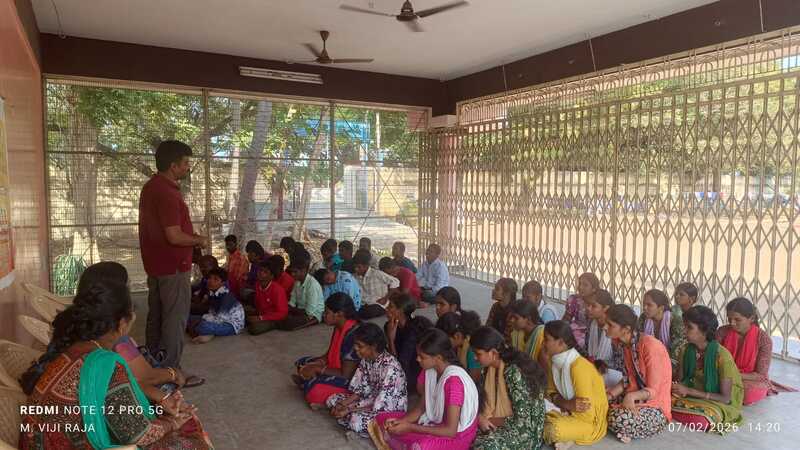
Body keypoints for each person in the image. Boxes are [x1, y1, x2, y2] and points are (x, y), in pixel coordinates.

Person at [19, 279, 212, 449]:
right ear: (121, 324)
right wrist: (172, 423)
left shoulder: (73, 348)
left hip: (39, 442)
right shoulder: (106, 364)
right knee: (190, 439)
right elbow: (135, 434)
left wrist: (159, 405)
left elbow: (107, 407)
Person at [76, 262, 198, 398]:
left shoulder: (77, 322)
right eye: (127, 285)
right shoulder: (114, 334)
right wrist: (174, 373)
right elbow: (146, 377)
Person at [139, 140, 208, 371]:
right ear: (172, 165)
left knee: (157, 316)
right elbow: (174, 236)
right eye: (185, 163)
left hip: (157, 265)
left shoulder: (151, 187)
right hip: (173, 267)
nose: (188, 167)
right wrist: (199, 240)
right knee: (174, 320)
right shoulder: (167, 193)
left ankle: (153, 365)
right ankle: (171, 372)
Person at [371, 329, 479, 450]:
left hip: (457, 436)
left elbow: (450, 431)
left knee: (421, 447)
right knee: (381, 419)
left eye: (422, 357)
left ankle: (405, 445)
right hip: (433, 423)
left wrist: (410, 427)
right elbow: (421, 408)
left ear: (438, 358)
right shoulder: (430, 371)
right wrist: (400, 422)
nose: (417, 359)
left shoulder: (454, 383)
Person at [603, 305, 672, 443]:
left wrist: (631, 396)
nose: (604, 327)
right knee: (596, 401)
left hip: (655, 406)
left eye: (610, 325)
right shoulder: (622, 343)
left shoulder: (650, 346)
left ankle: (624, 426)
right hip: (635, 395)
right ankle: (624, 428)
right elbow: (628, 380)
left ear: (626, 329)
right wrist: (609, 395)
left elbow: (653, 390)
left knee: (616, 418)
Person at [326, 323, 408, 437]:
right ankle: (347, 416)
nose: (355, 349)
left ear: (373, 346)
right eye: (355, 345)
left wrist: (349, 409)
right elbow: (360, 390)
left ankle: (352, 420)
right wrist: (343, 404)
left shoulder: (390, 368)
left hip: (388, 409)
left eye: (360, 346)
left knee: (356, 420)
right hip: (370, 400)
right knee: (333, 399)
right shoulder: (367, 359)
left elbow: (381, 405)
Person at [471, 326, 547, 450]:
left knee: (483, 446)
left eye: (478, 354)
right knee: (465, 435)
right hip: (498, 422)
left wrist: (488, 420)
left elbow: (522, 421)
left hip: (525, 432)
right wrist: (481, 418)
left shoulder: (514, 372)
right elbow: (483, 403)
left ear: (494, 353)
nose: (475, 358)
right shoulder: (488, 367)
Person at [671, 305, 743, 433]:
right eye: (685, 326)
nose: (684, 330)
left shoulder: (722, 356)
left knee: (701, 421)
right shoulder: (685, 350)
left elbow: (725, 398)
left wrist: (689, 391)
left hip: (718, 401)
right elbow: (681, 380)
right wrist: (676, 387)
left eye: (689, 327)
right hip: (692, 396)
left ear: (704, 331)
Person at [543, 320, 608, 449]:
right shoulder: (554, 361)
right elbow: (550, 392)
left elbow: (585, 413)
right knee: (533, 413)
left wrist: (563, 404)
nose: (543, 343)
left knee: (550, 430)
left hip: (589, 422)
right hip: (566, 410)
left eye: (546, 339)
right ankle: (569, 436)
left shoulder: (578, 367)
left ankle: (571, 436)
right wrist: (565, 404)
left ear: (561, 342)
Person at [718, 297, 795, 405]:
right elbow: (713, 357)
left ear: (752, 318)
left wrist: (731, 375)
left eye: (737, 319)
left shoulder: (763, 339)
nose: (732, 323)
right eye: (729, 319)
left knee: (747, 393)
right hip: (722, 373)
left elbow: (760, 375)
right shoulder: (722, 332)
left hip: (748, 378)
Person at [293, 293, 361, 406]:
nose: (324, 315)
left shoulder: (352, 335)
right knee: (302, 362)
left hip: (350, 380)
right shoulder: (338, 326)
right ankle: (309, 381)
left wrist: (318, 369)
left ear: (339, 314)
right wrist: (317, 363)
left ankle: (310, 383)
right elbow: (329, 354)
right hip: (334, 368)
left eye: (327, 312)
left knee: (314, 391)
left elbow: (346, 374)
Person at [385, 293, 435, 394]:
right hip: (400, 365)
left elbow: (401, 365)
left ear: (400, 311)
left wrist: (391, 339)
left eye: (391, 306)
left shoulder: (414, 330)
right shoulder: (390, 325)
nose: (386, 309)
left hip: (415, 371)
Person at [188, 268, 245, 344]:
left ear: (223, 283)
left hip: (231, 325)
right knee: (189, 317)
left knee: (203, 326)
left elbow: (220, 319)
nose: (211, 281)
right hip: (218, 319)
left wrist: (203, 319)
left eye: (216, 279)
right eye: (209, 278)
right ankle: (208, 333)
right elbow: (212, 312)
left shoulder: (226, 297)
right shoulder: (213, 293)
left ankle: (207, 333)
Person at [638, 288, 686, 374]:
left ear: (661, 308)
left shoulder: (675, 321)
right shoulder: (643, 318)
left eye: (649, 305)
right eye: (643, 304)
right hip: (649, 361)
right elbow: (638, 341)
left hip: (671, 364)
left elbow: (676, 352)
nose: (645, 308)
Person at [584, 289, 623, 387]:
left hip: (615, 377)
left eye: (593, 306)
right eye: (588, 304)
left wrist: (600, 364)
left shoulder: (615, 328)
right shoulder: (591, 324)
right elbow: (586, 350)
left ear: (605, 308)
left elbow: (621, 363)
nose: (588, 308)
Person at [279, 248, 325, 331]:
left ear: (304, 270)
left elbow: (309, 312)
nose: (292, 274)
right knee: (281, 315)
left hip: (313, 315)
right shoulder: (297, 282)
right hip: (299, 310)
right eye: (292, 271)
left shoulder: (312, 285)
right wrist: (286, 308)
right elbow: (292, 302)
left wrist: (291, 309)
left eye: (295, 272)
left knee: (287, 322)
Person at [246, 259, 289, 335]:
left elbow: (282, 313)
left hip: (273, 318)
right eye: (260, 270)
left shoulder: (278, 290)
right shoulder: (257, 285)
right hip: (261, 313)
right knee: (243, 313)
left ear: (272, 276)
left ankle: (273, 325)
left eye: (265, 272)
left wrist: (261, 318)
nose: (261, 273)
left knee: (254, 329)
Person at [436, 311, 483, 381]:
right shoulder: (457, 345)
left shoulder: (472, 350)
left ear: (457, 336)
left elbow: (472, 380)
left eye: (444, 339)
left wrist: (463, 353)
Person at [354, 249, 400, 320]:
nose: (356, 269)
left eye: (359, 267)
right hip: (362, 304)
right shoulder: (355, 277)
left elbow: (395, 282)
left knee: (371, 311)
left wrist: (385, 298)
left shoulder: (377, 274)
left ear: (366, 265)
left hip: (378, 305)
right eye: (355, 267)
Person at [561, 272, 600, 349]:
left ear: (594, 288)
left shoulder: (599, 303)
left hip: (592, 335)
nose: (580, 287)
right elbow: (566, 319)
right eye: (580, 284)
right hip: (574, 332)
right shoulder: (574, 300)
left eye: (585, 285)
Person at [508, 300, 547, 369]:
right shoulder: (516, 333)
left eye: (516, 318)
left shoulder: (542, 335)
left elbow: (544, 370)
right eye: (511, 317)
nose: (512, 320)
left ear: (528, 319)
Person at [240, 240, 267, 304]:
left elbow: (262, 281)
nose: (248, 256)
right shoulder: (254, 263)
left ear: (257, 255)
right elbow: (251, 277)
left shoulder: (265, 264)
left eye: (250, 254)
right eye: (248, 254)